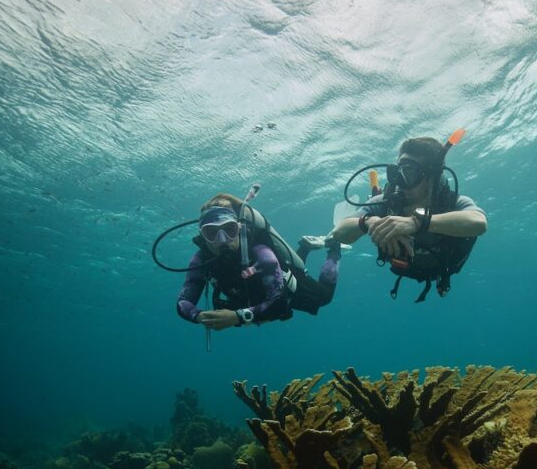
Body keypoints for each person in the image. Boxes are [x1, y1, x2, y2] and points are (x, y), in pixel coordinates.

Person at [329, 136, 487, 301]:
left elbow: (479, 222)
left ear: (432, 177)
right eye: (397, 172)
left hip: (440, 269)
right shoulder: (386, 202)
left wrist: (417, 223)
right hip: (400, 265)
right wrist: (369, 222)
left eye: (409, 172)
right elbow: (339, 232)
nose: (399, 182)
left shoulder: (451, 202)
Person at [176, 193, 340, 330]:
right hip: (254, 298)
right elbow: (183, 302)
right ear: (203, 236)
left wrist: (237, 317)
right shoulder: (201, 260)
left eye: (229, 230)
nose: (222, 240)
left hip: (282, 287)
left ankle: (334, 249)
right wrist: (198, 316)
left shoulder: (261, 252)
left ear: (239, 229)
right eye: (212, 233)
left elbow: (279, 302)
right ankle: (305, 247)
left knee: (324, 298)